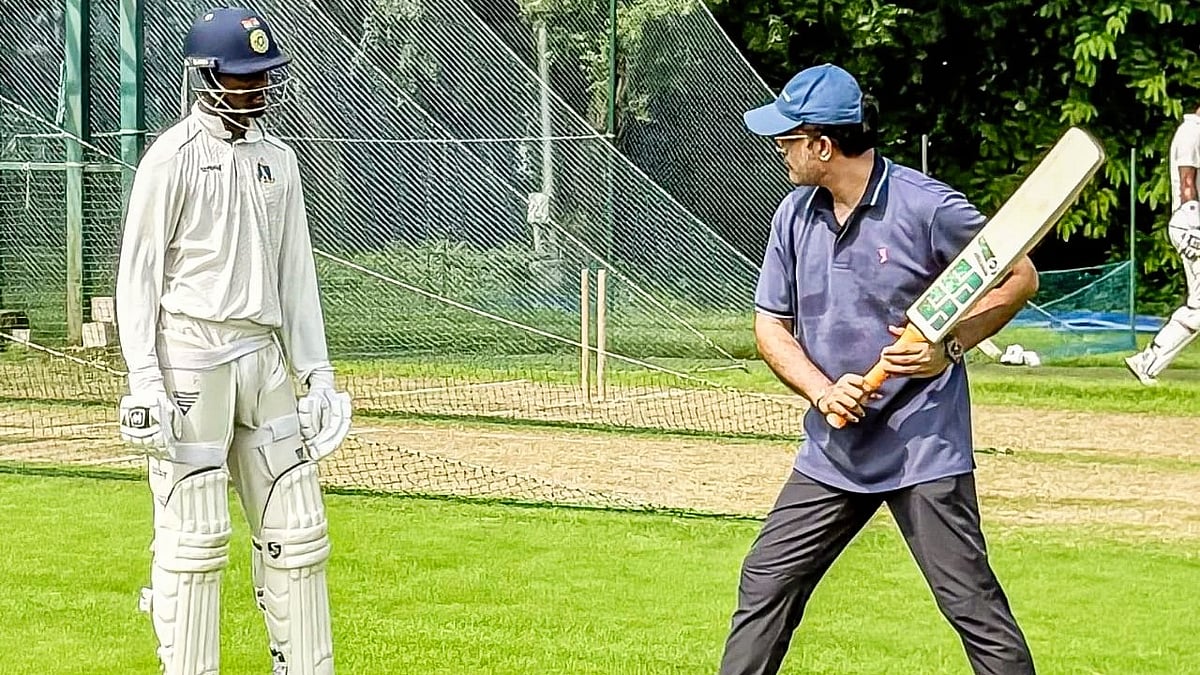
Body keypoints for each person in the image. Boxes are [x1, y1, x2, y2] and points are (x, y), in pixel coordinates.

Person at [717, 63, 1039, 675]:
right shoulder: (794, 214)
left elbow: (1019, 275)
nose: (780, 152)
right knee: (766, 581)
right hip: (835, 446)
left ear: (822, 144)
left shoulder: (928, 207)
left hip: (923, 446)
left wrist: (950, 344)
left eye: (788, 140)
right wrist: (820, 391)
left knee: (969, 602)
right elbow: (770, 328)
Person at [115, 7, 351, 674]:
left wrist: (319, 374)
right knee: (195, 538)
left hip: (265, 360)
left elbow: (295, 273)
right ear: (209, 76)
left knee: (299, 531)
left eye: (263, 78)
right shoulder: (171, 158)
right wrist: (145, 379)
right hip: (192, 362)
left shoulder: (280, 160)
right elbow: (139, 275)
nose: (256, 90)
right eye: (244, 78)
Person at [1124, 106, 1200, 384]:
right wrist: (1195, 224)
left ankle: (1147, 361)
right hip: (1191, 225)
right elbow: (1187, 183)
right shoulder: (1192, 132)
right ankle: (1147, 361)